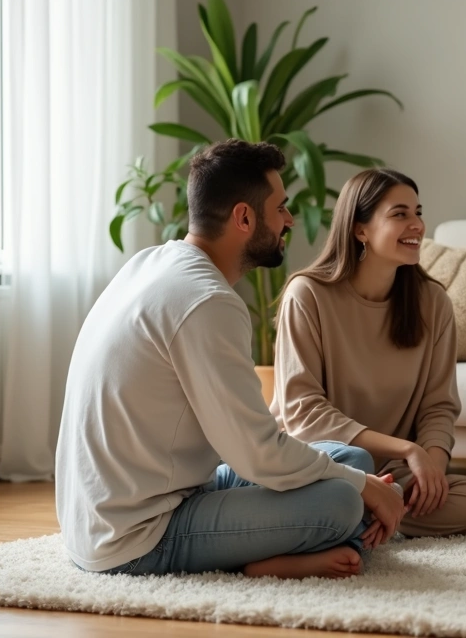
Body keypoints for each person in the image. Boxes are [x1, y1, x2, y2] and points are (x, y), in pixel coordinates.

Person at [55, 139, 404, 579]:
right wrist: (363, 490)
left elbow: (248, 451)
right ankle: (263, 563)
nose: (289, 220)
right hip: (136, 535)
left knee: (349, 460)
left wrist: (360, 481)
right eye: (281, 208)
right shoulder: (207, 301)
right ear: (244, 217)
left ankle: (276, 545)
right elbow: (258, 456)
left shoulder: (150, 264)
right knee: (341, 500)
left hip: (154, 498)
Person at [272, 168, 466, 537]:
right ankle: (365, 512)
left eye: (418, 212)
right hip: (325, 464)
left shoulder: (433, 302)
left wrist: (433, 472)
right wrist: (409, 449)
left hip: (394, 473)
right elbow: (303, 413)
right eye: (400, 214)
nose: (417, 225)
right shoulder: (308, 294)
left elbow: (438, 405)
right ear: (360, 229)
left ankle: (355, 517)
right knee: (349, 470)